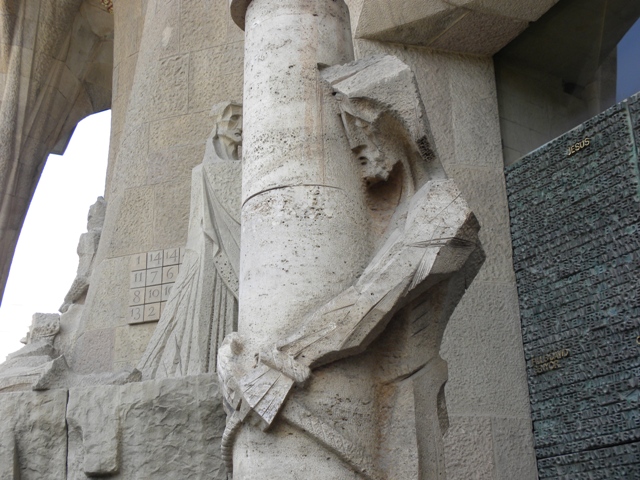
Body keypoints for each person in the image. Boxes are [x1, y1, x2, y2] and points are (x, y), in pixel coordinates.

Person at [139, 102, 242, 379]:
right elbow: (198, 229)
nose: (240, 126)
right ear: (217, 126)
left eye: (243, 119)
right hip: (210, 255)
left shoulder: (249, 170)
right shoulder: (202, 171)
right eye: (233, 119)